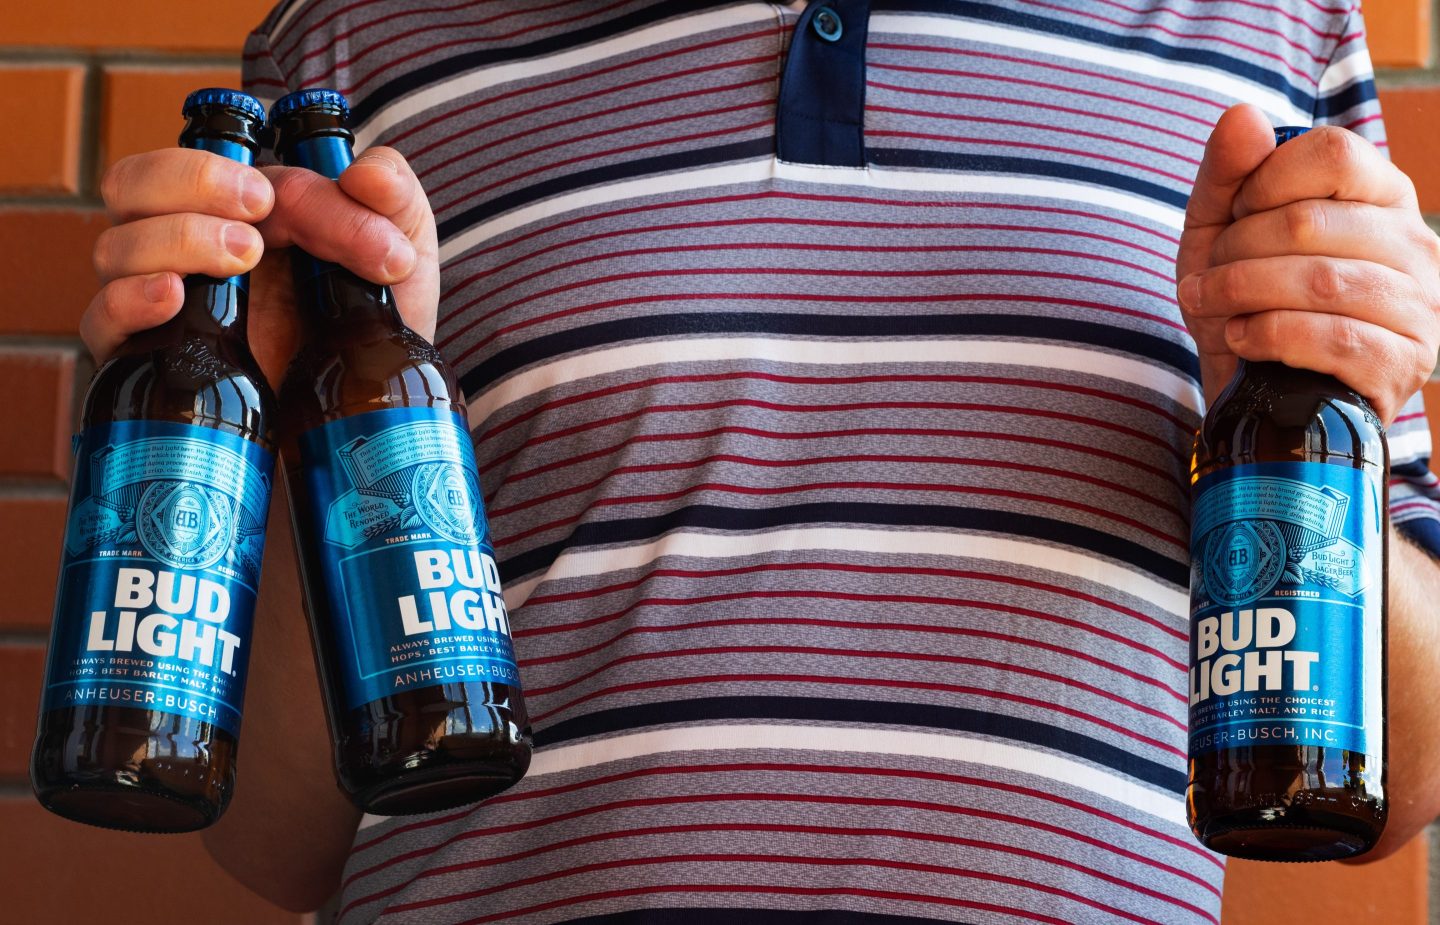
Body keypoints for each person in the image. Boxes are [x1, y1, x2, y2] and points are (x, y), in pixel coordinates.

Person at [85, 2, 1440, 922]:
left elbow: (1406, 782)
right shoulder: (357, 38)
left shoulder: (1264, 22)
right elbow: (275, 841)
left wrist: (1275, 422)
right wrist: (264, 449)